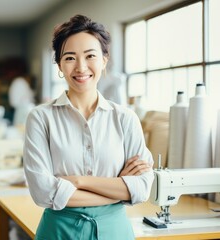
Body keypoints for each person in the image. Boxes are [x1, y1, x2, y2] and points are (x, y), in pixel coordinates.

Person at [23, 15, 154, 239]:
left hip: (114, 232)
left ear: (104, 60)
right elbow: (42, 193)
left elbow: (141, 189)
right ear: (60, 65)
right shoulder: (40, 118)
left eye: (90, 55)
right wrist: (118, 189)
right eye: (70, 57)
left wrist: (77, 181)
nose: (81, 67)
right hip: (59, 231)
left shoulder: (125, 118)